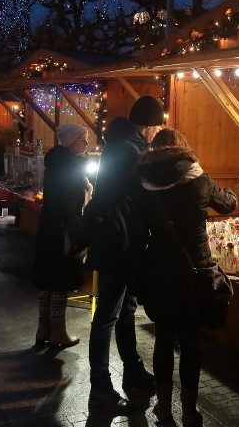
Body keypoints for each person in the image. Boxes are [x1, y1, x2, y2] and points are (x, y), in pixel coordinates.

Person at [136, 128, 237, 427]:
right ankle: (190, 411)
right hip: (195, 268)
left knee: (163, 338)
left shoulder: (141, 181)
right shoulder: (198, 177)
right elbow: (228, 204)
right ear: (182, 148)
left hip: (158, 269)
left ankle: (164, 408)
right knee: (190, 341)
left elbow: (138, 224)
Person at [77, 95, 164, 414]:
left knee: (124, 311)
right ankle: (101, 385)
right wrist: (83, 235)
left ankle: (133, 369)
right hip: (119, 243)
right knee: (107, 316)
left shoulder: (124, 145)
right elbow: (108, 198)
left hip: (122, 241)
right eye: (156, 127)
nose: (156, 133)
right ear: (150, 126)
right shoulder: (128, 150)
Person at [32, 123, 90, 348]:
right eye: (82, 139)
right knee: (60, 280)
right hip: (63, 229)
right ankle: (58, 332)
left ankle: (43, 329)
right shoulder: (69, 165)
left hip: (49, 227)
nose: (86, 143)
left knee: (48, 279)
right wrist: (79, 234)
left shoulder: (56, 162)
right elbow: (69, 205)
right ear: (69, 141)